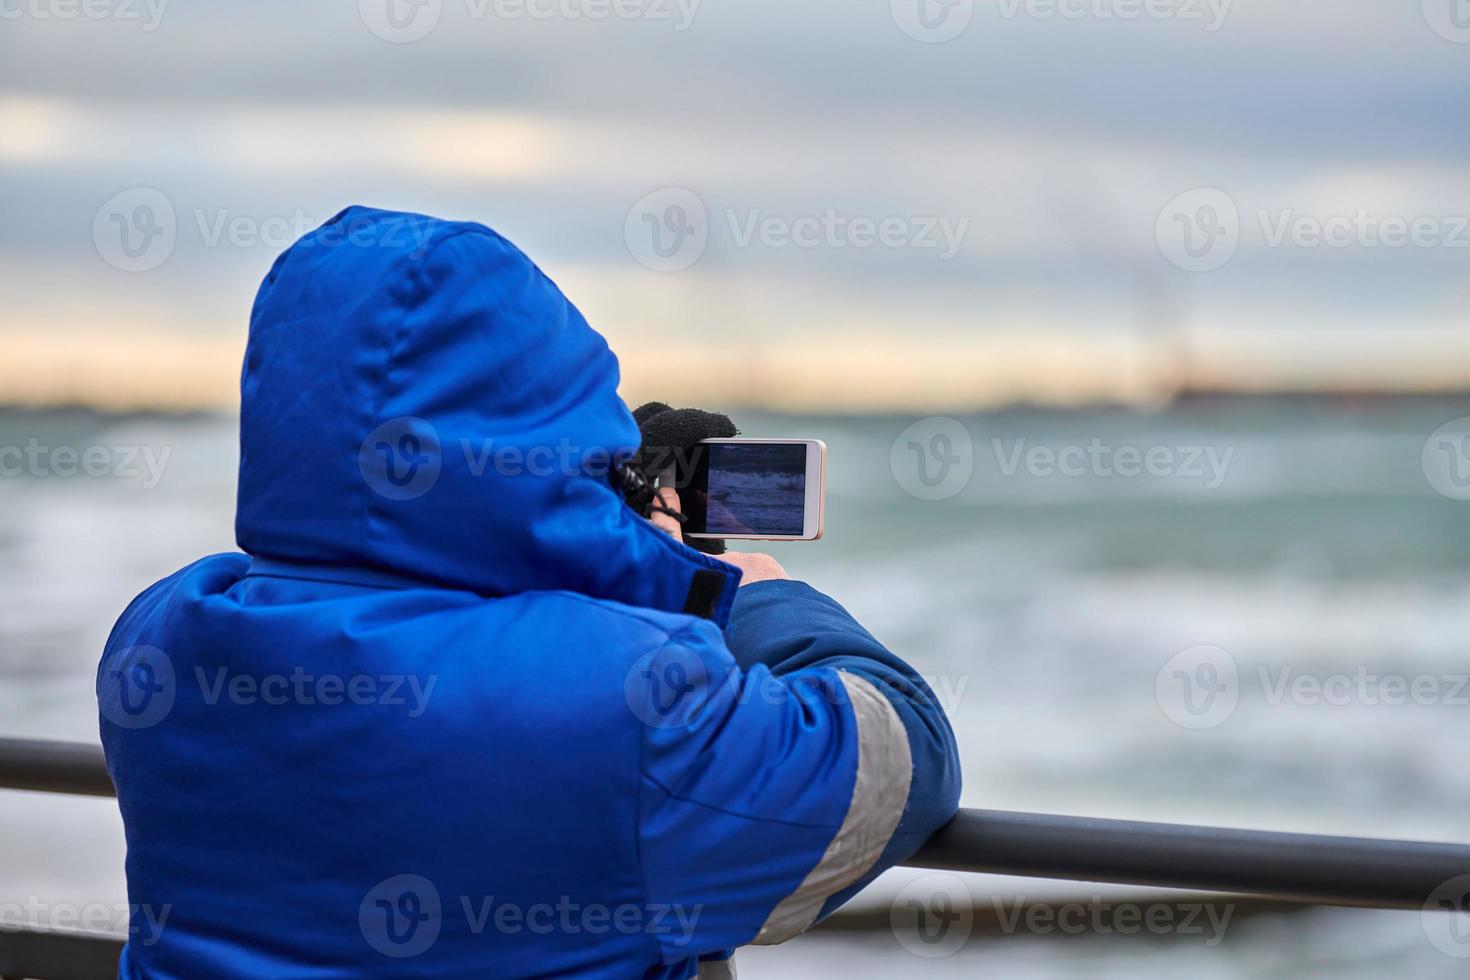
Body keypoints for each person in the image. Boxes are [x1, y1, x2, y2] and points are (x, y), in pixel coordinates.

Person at [97, 206, 962, 978]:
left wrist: (596, 541)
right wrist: (739, 592)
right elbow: (903, 760)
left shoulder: (162, 639)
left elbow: (414, 592)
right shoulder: (631, 708)